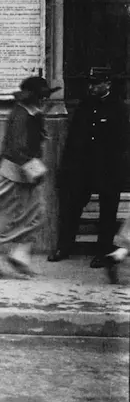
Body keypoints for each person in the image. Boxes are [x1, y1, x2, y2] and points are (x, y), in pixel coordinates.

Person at [0, 77, 60, 278]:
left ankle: (19, 255)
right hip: (17, 174)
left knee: (34, 214)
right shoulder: (22, 115)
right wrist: (35, 169)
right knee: (5, 214)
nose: (45, 101)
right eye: (42, 97)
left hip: (24, 175)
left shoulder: (30, 113)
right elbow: (16, 148)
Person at [51, 67, 129, 266]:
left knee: (108, 212)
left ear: (108, 84)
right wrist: (68, 166)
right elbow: (74, 138)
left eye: (96, 83)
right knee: (72, 206)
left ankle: (102, 251)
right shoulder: (85, 105)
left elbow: (123, 142)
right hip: (83, 167)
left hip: (108, 169)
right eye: (90, 83)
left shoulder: (119, 107)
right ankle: (64, 247)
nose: (92, 87)